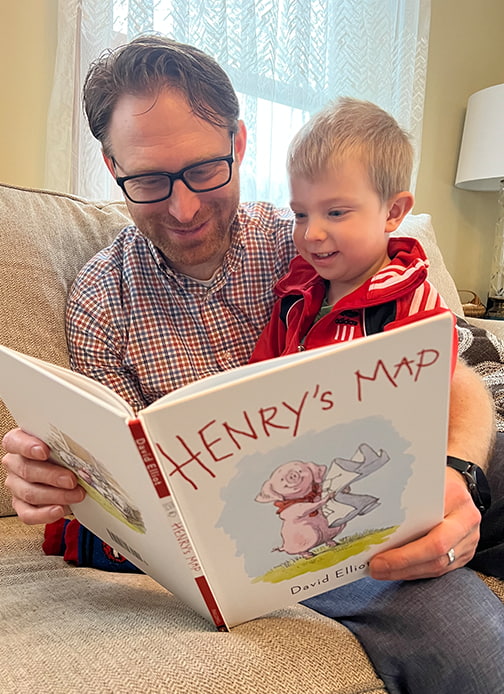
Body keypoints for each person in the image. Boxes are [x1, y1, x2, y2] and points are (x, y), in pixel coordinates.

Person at [2, 35, 503, 694]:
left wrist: (459, 472)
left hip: (399, 466)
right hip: (301, 538)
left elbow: (451, 365)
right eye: (148, 180)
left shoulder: (308, 239)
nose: (182, 209)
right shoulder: (101, 300)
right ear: (109, 163)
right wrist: (53, 472)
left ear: (238, 143)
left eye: (204, 170)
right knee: (466, 637)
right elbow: (125, 491)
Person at [250, 97, 456, 363]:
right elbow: (257, 378)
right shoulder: (293, 299)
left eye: (335, 213)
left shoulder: (415, 308)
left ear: (393, 212)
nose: (311, 233)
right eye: (300, 214)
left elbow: (424, 396)